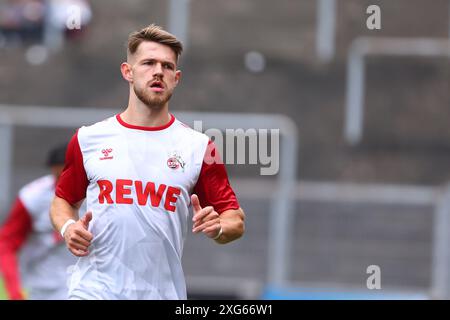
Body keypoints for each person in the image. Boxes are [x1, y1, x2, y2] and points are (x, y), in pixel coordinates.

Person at [50, 24, 245, 300]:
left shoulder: (199, 148)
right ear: (127, 72)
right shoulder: (88, 138)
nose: (158, 72)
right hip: (93, 290)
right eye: (148, 63)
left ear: (176, 78)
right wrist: (69, 227)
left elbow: (235, 219)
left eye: (167, 66)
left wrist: (220, 228)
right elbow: (62, 201)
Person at [0, 144, 79, 300]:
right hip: (44, 286)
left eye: (69, 176)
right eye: (58, 177)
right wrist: (14, 291)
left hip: (89, 281)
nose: (62, 183)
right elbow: (7, 243)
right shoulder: (32, 197)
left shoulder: (99, 194)